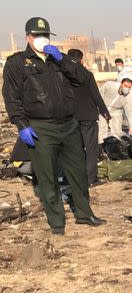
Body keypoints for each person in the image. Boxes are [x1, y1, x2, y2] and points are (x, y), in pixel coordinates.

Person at [2, 17, 106, 234]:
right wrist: (21, 125)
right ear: (27, 38)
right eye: (37, 36)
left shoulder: (59, 60)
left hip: (69, 125)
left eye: (45, 35)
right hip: (41, 127)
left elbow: (84, 79)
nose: (42, 39)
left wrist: (62, 59)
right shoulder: (17, 63)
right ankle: (57, 221)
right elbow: (11, 98)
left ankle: (85, 214)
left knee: (77, 172)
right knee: (48, 175)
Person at [67, 49, 111, 186]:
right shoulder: (86, 74)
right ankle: (91, 179)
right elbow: (95, 95)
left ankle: (76, 178)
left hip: (71, 116)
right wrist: (105, 111)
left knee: (75, 148)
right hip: (88, 116)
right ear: (81, 59)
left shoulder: (63, 76)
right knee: (91, 148)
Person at [99, 73, 132, 141]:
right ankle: (101, 146)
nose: (126, 88)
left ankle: (116, 146)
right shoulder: (109, 85)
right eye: (125, 86)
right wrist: (99, 107)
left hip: (116, 111)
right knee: (102, 130)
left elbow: (130, 111)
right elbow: (100, 94)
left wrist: (131, 127)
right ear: (121, 83)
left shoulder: (129, 96)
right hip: (103, 109)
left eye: (129, 87)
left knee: (117, 131)